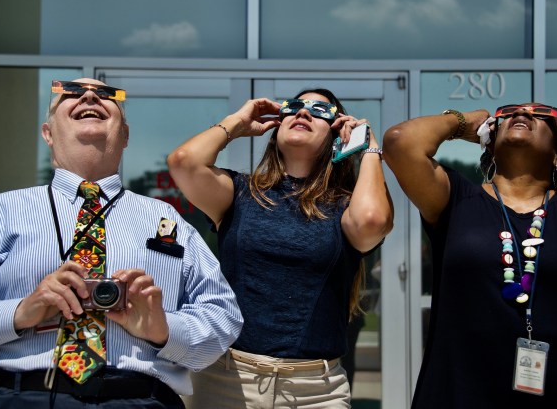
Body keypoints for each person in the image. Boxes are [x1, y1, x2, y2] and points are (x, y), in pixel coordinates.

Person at [0, 78, 243, 408]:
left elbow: (224, 318)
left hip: (137, 399)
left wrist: (164, 329)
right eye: (69, 93)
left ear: (125, 135)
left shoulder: (166, 221)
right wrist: (18, 313)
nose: (89, 96)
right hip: (13, 396)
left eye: (107, 95)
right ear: (48, 133)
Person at [382, 104, 557, 408]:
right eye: (508, 112)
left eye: (541, 114)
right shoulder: (456, 199)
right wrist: (463, 123)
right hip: (461, 394)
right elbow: (399, 142)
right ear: (490, 142)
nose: (521, 114)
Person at [167, 88, 394, 408]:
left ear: (337, 134)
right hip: (224, 379)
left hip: (316, 390)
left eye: (320, 111)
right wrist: (237, 122)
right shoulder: (240, 193)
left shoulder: (346, 209)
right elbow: (184, 163)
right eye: (295, 106)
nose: (303, 112)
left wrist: (368, 147)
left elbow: (373, 220)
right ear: (277, 127)